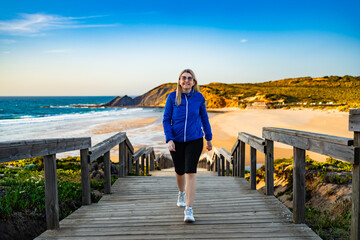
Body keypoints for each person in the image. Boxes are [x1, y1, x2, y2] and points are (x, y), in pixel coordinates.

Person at [163, 69, 213, 223]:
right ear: (179, 81)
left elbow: (204, 118)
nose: (186, 81)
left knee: (190, 172)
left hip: (195, 139)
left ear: (194, 81)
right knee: (179, 171)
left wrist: (209, 138)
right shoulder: (172, 97)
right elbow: (166, 119)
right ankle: (181, 193)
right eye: (183, 78)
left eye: (189, 78)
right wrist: (169, 139)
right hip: (176, 141)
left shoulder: (198, 97)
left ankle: (189, 209)